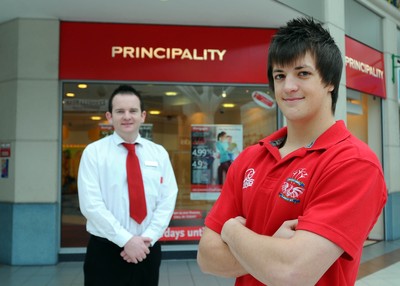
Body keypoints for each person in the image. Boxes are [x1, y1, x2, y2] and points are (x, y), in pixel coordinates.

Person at [197, 17, 387, 286]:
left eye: (303, 73)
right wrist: (273, 248)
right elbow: (206, 257)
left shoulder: (353, 163)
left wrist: (231, 232)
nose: (288, 87)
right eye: (279, 75)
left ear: (330, 81)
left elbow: (293, 273)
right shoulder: (251, 157)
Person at [78, 85, 178, 286]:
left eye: (132, 111)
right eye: (120, 111)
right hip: (105, 250)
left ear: (142, 116)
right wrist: (126, 240)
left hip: (147, 249)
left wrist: (146, 238)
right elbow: (91, 205)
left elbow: (168, 199)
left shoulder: (158, 153)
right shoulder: (94, 153)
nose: (127, 116)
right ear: (109, 116)